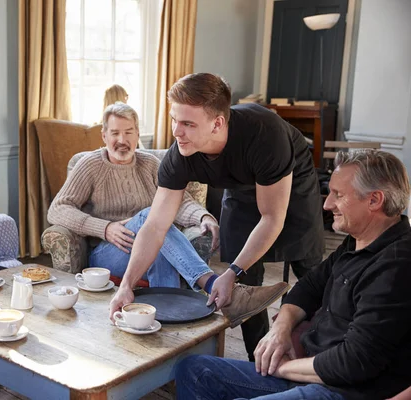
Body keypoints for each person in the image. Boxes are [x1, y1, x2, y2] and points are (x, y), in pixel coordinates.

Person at [109, 73, 324, 360]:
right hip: (238, 186)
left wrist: (232, 270)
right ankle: (258, 360)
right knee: (246, 283)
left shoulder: (265, 133)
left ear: (217, 123)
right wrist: (126, 286)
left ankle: (320, 354)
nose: (176, 131)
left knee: (308, 267)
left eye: (187, 123)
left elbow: (272, 217)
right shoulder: (179, 156)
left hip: (290, 183)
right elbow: (156, 225)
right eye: (174, 120)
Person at [175, 149, 411, 400]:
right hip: (310, 369)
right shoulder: (358, 241)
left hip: (344, 391)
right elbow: (308, 287)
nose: (327, 204)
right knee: (195, 370)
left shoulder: (397, 266)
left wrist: (283, 368)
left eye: (338, 195)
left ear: (374, 200)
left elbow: (353, 363)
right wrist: (281, 329)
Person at [50, 102, 288, 326]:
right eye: (114, 133)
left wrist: (203, 217)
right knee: (151, 219)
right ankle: (212, 284)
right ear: (104, 136)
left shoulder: (150, 164)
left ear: (137, 134)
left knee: (157, 232)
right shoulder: (90, 165)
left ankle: (169, 321)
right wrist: (103, 228)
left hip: (147, 250)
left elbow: (180, 201)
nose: (122, 140)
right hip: (108, 256)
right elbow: (58, 208)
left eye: (129, 132)